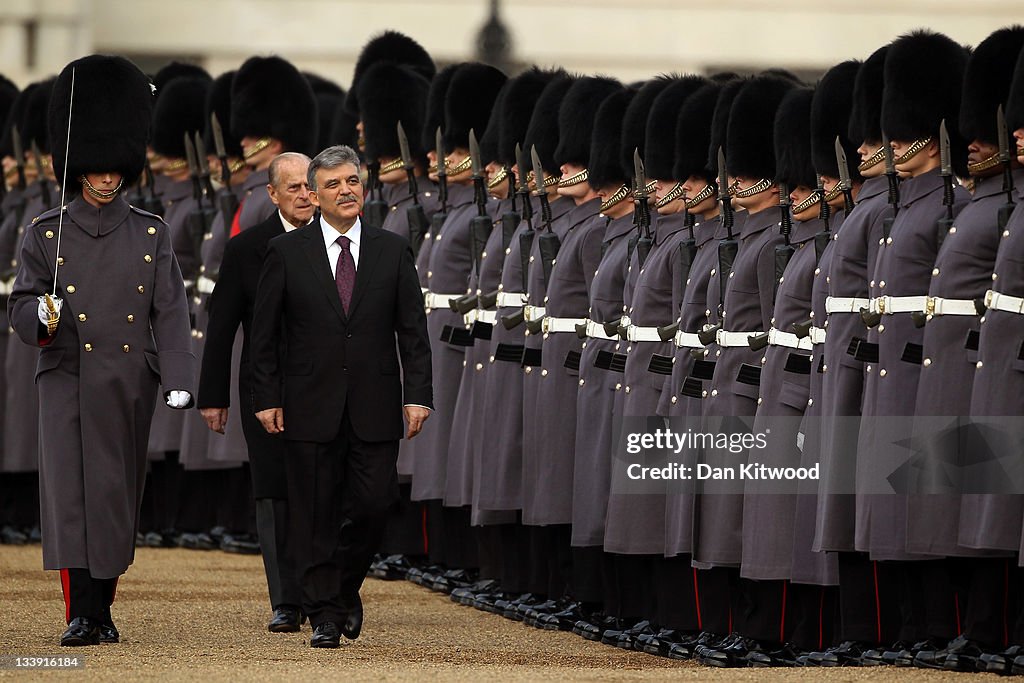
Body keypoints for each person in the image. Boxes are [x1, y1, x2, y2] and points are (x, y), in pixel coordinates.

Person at [8, 54, 195, 646]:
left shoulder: (149, 232)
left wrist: (177, 376)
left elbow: (170, 309)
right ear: (78, 165)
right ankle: (79, 612)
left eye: (116, 168)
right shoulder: (43, 233)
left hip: (124, 380)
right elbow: (19, 303)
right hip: (65, 374)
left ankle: (104, 606)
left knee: (113, 497)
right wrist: (40, 314)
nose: (108, 177)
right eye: (97, 168)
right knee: (70, 496)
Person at [250, 145, 432, 648]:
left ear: (363, 187)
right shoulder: (286, 253)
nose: (345, 190)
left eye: (352, 181)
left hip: (375, 404)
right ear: (314, 193)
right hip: (308, 404)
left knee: (373, 506)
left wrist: (418, 395)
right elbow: (263, 335)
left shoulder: (393, 250)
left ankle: (345, 588)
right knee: (314, 513)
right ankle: (324, 612)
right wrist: (266, 396)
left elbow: (412, 332)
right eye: (332, 184)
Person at [197, 152, 314, 633]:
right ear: (272, 194)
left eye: (312, 186)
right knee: (274, 493)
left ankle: (324, 590)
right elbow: (221, 326)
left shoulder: (341, 242)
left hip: (328, 385)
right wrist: (212, 395)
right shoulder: (248, 248)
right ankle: (286, 598)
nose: (306, 196)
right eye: (295, 189)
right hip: (266, 388)